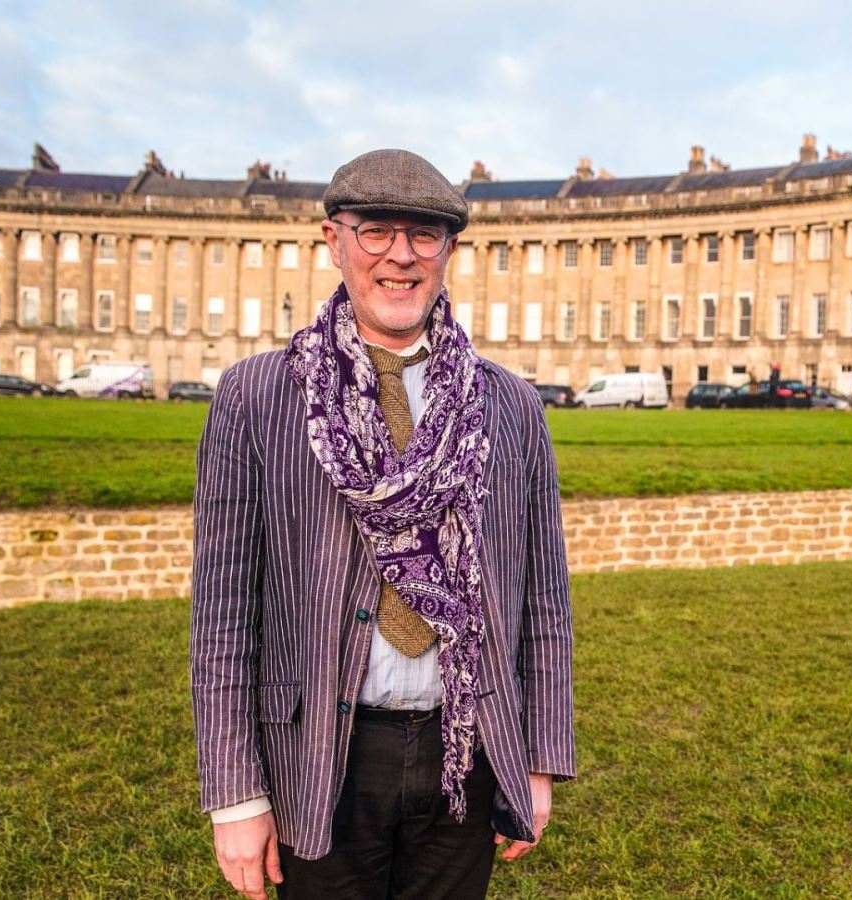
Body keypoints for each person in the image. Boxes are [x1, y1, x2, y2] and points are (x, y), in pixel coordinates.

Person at [191, 148, 575, 900]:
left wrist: (536, 759)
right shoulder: (257, 395)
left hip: (465, 744)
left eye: (424, 234)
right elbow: (223, 613)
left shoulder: (513, 405)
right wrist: (236, 796)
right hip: (320, 749)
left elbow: (546, 602)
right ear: (334, 241)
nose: (400, 256)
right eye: (375, 231)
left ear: (450, 251)